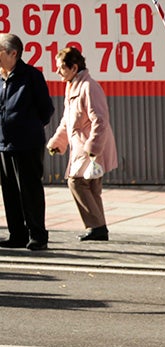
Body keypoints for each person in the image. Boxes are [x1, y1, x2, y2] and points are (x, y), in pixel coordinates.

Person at [46, 47, 118, 242]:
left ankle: (97, 227)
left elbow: (100, 119)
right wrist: (57, 142)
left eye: (61, 67)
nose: (57, 71)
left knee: (76, 182)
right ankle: (99, 229)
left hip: (89, 148)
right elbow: (67, 121)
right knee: (91, 187)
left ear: (74, 67)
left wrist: (94, 147)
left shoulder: (88, 87)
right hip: (84, 147)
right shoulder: (73, 86)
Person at [0, 33, 54, 251]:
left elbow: (46, 110)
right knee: (9, 191)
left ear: (13, 53)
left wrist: (28, 126)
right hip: (3, 143)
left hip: (27, 143)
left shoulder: (31, 76)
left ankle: (38, 235)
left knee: (29, 190)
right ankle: (17, 234)